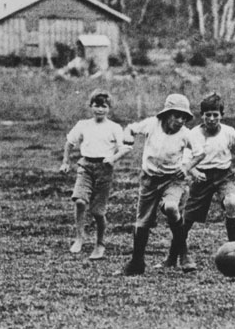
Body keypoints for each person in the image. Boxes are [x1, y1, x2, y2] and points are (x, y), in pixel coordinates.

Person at [120, 94, 205, 275]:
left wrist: (187, 166)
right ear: (167, 114)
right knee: (142, 221)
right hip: (150, 180)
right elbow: (130, 129)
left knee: (172, 208)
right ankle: (137, 262)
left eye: (184, 117)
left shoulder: (185, 134)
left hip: (173, 180)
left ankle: (184, 254)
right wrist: (128, 137)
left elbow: (200, 153)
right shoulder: (152, 124)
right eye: (176, 116)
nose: (180, 120)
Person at [180, 93, 235, 266]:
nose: (211, 119)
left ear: (221, 115)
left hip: (223, 176)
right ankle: (175, 254)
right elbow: (186, 160)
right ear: (201, 115)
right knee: (186, 219)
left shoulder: (229, 132)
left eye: (215, 115)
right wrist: (194, 172)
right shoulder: (193, 134)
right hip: (201, 178)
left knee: (231, 202)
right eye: (207, 115)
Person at [58, 89, 130, 260]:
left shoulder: (114, 127)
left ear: (109, 108)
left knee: (98, 212)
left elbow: (124, 148)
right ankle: (79, 237)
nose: (99, 109)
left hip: (104, 169)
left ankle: (100, 244)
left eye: (103, 106)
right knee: (80, 201)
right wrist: (65, 162)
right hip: (86, 166)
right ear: (90, 106)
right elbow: (69, 142)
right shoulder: (83, 124)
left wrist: (113, 158)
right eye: (96, 106)